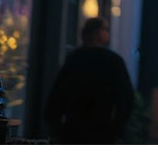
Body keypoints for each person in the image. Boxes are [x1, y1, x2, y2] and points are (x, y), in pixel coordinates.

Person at [44, 16, 135, 144]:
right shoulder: (113, 61)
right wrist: (116, 129)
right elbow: (126, 99)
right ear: (97, 33)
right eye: (106, 30)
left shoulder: (74, 59)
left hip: (73, 130)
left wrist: (58, 129)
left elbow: (57, 96)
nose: (108, 34)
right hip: (103, 131)